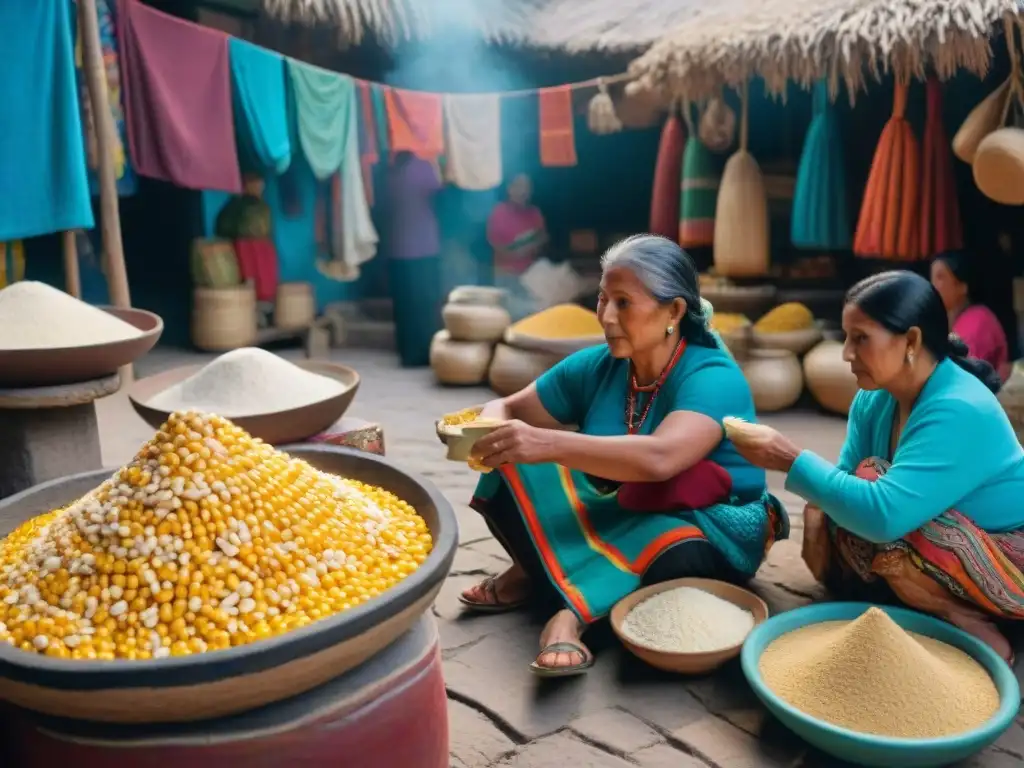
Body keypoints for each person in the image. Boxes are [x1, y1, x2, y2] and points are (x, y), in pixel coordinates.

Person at [458, 234, 789, 676]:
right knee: (510, 463)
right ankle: (539, 572)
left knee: (667, 545)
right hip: (624, 504)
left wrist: (548, 443)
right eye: (602, 299)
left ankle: (567, 613)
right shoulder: (601, 365)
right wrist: (491, 428)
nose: (607, 317)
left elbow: (661, 459)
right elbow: (510, 406)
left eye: (623, 303)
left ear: (673, 311)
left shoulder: (712, 375)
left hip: (706, 525)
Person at [732, 271, 1024, 663]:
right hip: (933, 532)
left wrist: (788, 458)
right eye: (847, 337)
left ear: (912, 341)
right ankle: (918, 601)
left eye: (861, 338)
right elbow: (843, 488)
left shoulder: (959, 407)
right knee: (831, 511)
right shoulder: (876, 399)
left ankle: (963, 617)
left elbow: (882, 515)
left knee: (873, 495)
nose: (846, 353)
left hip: (1008, 552)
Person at [386, 151, 443, 367]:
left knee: (404, 305)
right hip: (424, 248)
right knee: (425, 303)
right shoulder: (423, 167)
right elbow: (440, 191)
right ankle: (425, 353)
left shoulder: (388, 174)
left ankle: (407, 354)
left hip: (397, 250)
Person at [929, 251, 1010, 381]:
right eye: (932, 278)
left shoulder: (977, 321)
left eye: (940, 277)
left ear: (962, 287)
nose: (933, 285)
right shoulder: (949, 320)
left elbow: (962, 375)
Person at [485, 174, 548, 319]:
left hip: (531, 277)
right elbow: (499, 249)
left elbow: (542, 239)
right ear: (509, 189)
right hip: (507, 277)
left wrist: (528, 247)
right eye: (518, 186)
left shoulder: (534, 213)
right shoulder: (498, 213)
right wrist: (523, 249)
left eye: (526, 187)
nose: (523, 191)